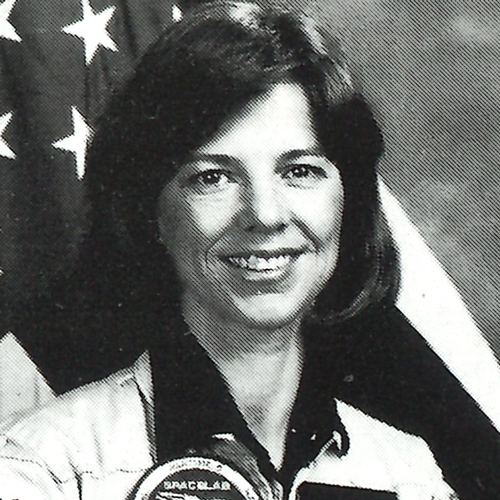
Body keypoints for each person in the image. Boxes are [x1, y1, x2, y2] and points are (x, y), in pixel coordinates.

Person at [0, 2, 457, 499]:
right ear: (148, 211)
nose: (264, 214)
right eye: (212, 177)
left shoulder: (407, 474)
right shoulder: (46, 468)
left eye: (299, 171)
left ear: (349, 199)